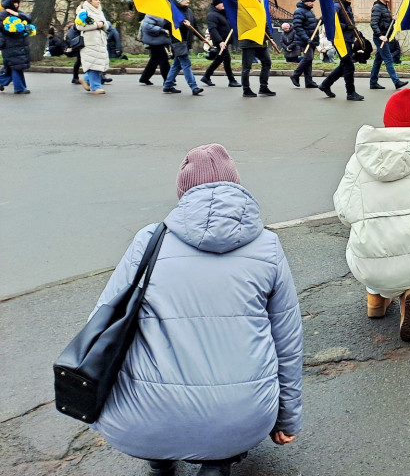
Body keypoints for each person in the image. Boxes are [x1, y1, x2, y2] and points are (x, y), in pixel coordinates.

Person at [90, 144, 302, 475]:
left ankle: (159, 457)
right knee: (228, 408)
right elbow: (287, 342)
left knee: (151, 392)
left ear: (183, 193)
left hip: (143, 418)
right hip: (241, 417)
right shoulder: (268, 247)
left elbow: (102, 322)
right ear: (237, 187)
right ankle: (218, 463)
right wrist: (287, 418)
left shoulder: (149, 241)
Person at [333, 89, 410, 342]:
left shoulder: (360, 158)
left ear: (387, 119)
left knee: (370, 240)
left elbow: (344, 210)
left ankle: (375, 300)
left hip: (370, 262)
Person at [318, 0, 366, 101]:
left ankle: (325, 84)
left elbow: (351, 24)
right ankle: (350, 92)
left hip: (348, 39)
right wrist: (346, 27)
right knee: (349, 65)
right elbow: (331, 21)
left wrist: (358, 35)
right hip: (340, 40)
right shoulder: (337, 6)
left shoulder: (346, 7)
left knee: (344, 65)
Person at [163, 0, 204, 96]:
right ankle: (194, 87)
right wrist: (182, 24)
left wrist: (202, 37)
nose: (188, 1)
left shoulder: (189, 11)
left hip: (187, 42)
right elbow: (167, 24)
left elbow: (195, 26)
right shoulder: (173, 11)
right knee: (186, 64)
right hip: (178, 42)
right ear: (179, 0)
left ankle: (167, 85)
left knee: (177, 65)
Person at [368, 0, 408, 91]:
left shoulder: (385, 7)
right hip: (380, 38)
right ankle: (396, 81)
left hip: (385, 37)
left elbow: (386, 23)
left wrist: (392, 20)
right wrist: (380, 35)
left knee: (378, 60)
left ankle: (373, 82)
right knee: (388, 59)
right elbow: (373, 23)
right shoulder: (377, 7)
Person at [238, 0, 275, 98]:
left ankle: (263, 87)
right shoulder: (244, 10)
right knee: (247, 67)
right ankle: (246, 89)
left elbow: (265, 25)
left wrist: (271, 38)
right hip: (248, 43)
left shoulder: (260, 9)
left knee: (267, 63)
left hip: (261, 43)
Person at [75, 0, 111, 95]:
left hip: (100, 41)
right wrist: (96, 25)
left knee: (99, 64)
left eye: (99, 0)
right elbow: (79, 26)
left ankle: (86, 80)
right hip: (90, 42)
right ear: (90, 1)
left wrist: (103, 24)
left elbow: (106, 24)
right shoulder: (83, 11)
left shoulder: (99, 11)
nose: (98, 1)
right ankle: (95, 87)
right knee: (93, 64)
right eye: (96, 0)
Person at [201, 0, 239, 88]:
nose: (223, 5)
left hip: (225, 41)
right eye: (221, 3)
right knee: (226, 60)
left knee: (219, 59)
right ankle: (232, 80)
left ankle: (206, 76)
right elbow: (212, 29)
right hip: (220, 42)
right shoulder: (212, 15)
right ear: (216, 4)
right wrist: (220, 41)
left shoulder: (222, 13)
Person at [0, 0, 34, 95]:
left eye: (17, 2)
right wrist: (13, 29)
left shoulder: (18, 13)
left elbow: (29, 19)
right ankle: (20, 88)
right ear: (8, 4)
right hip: (10, 45)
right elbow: (3, 28)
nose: (16, 4)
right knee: (16, 66)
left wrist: (16, 14)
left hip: (20, 44)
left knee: (12, 67)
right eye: (13, 2)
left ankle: (2, 81)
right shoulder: (2, 14)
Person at [289, 0, 319, 89]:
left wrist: (319, 21)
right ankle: (295, 74)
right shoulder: (299, 11)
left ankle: (308, 81)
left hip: (311, 39)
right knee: (308, 58)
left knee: (309, 61)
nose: (312, 3)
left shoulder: (309, 11)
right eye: (311, 1)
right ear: (306, 1)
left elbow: (311, 25)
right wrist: (306, 38)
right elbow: (298, 27)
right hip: (305, 40)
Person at [139, 15, 172, 86]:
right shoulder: (151, 14)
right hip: (154, 41)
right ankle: (167, 80)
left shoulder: (158, 14)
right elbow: (147, 27)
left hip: (157, 40)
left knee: (154, 60)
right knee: (163, 59)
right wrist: (162, 30)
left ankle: (144, 78)